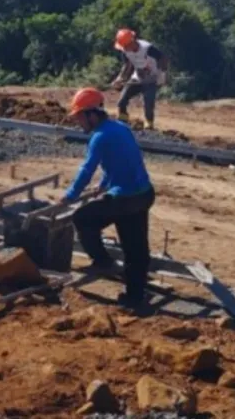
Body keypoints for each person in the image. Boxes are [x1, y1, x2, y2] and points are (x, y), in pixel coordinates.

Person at [61, 87, 156, 309]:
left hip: (124, 199)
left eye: (79, 117)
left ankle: (103, 261)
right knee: (136, 248)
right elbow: (122, 161)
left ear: (91, 114)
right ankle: (135, 295)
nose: (79, 123)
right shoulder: (121, 128)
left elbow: (87, 170)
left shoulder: (99, 137)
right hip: (144, 194)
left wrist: (70, 195)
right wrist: (103, 185)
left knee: (82, 218)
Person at [111, 28, 169, 130]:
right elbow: (127, 65)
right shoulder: (125, 51)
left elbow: (163, 58)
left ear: (131, 42)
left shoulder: (147, 48)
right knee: (122, 99)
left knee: (148, 102)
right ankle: (123, 119)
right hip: (137, 78)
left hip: (152, 78)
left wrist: (162, 74)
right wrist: (120, 78)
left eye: (125, 46)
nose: (124, 49)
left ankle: (149, 124)